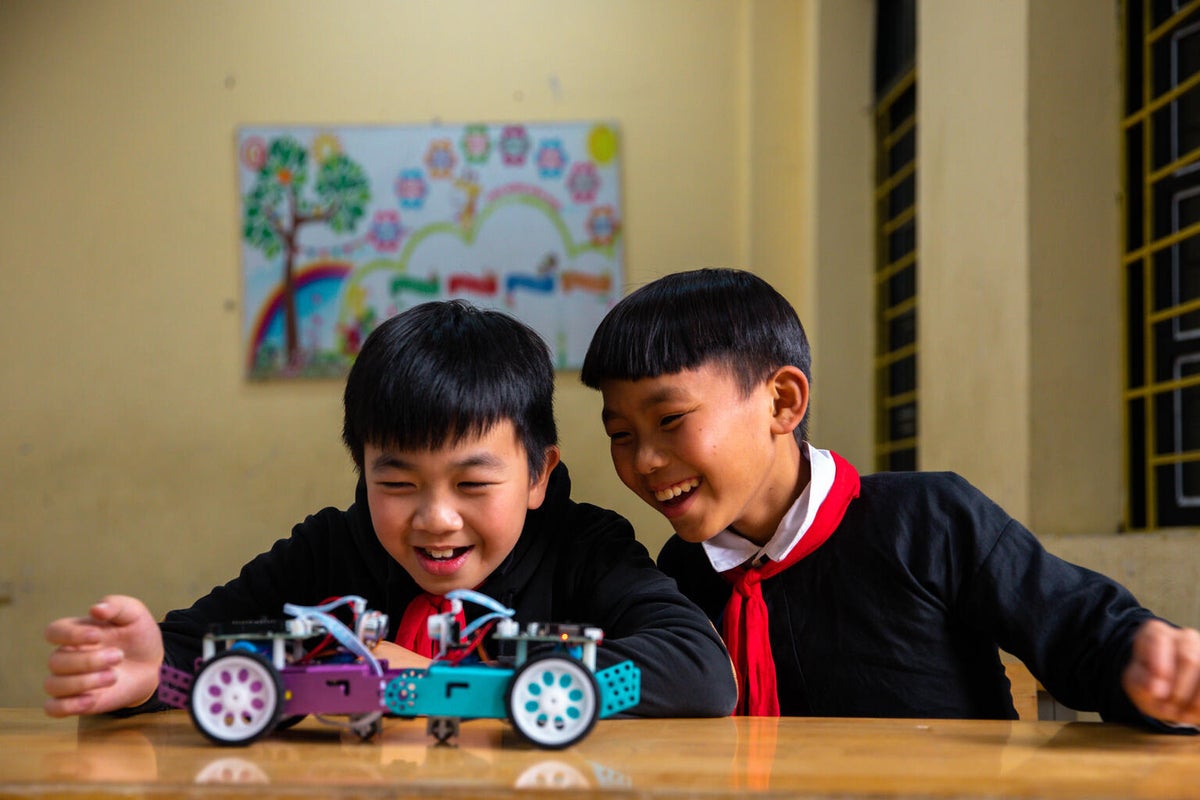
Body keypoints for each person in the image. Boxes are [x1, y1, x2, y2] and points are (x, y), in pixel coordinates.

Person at [44, 300, 737, 720]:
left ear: (536, 474)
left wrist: (451, 687)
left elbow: (697, 671)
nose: (436, 519)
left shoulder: (584, 545)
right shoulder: (332, 548)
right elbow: (201, 649)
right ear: (362, 470)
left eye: (472, 485)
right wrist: (149, 674)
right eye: (399, 484)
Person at [579, 267, 1200, 729]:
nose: (644, 460)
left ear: (782, 402)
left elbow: (1082, 631)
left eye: (670, 419)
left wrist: (1148, 663)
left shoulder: (929, 520)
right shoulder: (679, 575)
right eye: (620, 434)